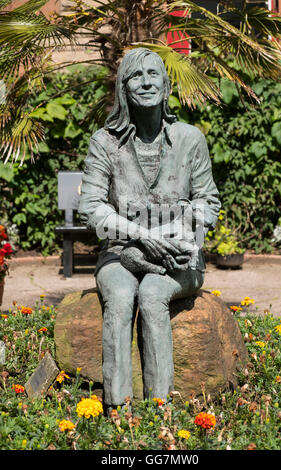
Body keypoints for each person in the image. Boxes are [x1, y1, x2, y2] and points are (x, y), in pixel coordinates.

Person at [78, 47, 221, 411]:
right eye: (135, 77)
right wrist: (143, 237)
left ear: (166, 85)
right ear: (123, 88)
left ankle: (161, 412)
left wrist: (178, 234)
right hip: (120, 254)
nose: (145, 83)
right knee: (123, 296)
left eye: (153, 75)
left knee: (153, 294)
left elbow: (209, 201)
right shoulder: (104, 142)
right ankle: (119, 411)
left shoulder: (190, 139)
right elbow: (91, 206)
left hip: (178, 256)